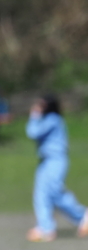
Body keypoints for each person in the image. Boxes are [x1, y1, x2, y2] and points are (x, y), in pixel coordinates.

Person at [25, 97, 88, 242]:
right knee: (41, 193)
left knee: (54, 192)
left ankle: (83, 216)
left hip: (56, 160)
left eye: (41, 105)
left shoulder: (53, 119)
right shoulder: (49, 119)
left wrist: (34, 116)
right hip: (45, 161)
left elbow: (33, 132)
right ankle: (46, 228)